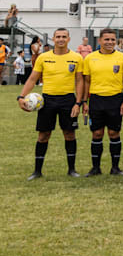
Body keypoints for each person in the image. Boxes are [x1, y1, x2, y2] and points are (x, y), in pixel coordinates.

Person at [18, 28, 83, 180]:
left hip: (68, 99)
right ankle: (37, 171)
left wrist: (78, 103)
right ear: (53, 39)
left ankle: (72, 170)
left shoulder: (77, 58)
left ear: (68, 39)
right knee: (43, 135)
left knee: (69, 133)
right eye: (58, 37)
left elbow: (80, 81)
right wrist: (21, 97)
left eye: (64, 37)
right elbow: (33, 79)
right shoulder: (43, 57)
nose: (61, 39)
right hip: (47, 100)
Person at [80, 28, 123, 176]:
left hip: (115, 99)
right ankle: (95, 168)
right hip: (96, 99)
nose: (110, 42)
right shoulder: (90, 58)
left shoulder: (122, 58)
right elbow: (86, 81)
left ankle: (115, 168)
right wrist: (84, 101)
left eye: (112, 40)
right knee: (97, 133)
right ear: (100, 40)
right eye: (107, 39)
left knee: (114, 133)